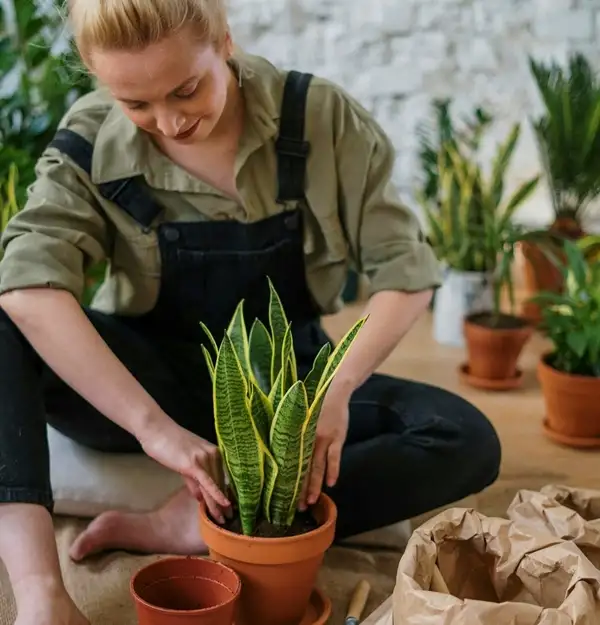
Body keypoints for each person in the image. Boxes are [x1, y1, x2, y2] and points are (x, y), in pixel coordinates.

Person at [0, 0, 501, 623]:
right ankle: (43, 596)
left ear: (225, 40)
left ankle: (203, 519)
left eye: (186, 89)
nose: (170, 121)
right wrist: (154, 429)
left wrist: (336, 392)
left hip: (294, 386)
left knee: (466, 440)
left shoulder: (321, 117)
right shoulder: (89, 137)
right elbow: (26, 287)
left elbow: (407, 276)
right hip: (149, 383)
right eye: (137, 104)